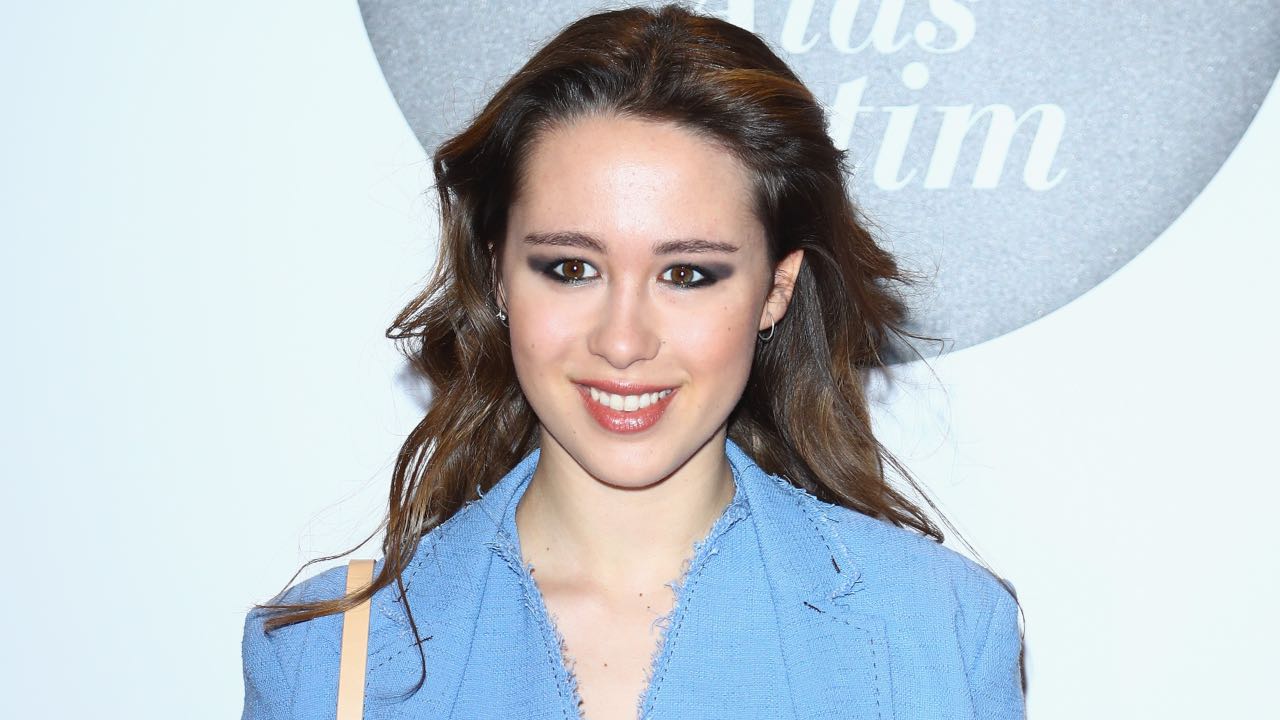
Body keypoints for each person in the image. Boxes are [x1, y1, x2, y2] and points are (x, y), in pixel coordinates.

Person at [240, 4, 1025, 719]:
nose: (622, 342)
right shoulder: (322, 662)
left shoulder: (938, 633)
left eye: (687, 275)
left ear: (775, 291)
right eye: (570, 268)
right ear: (499, 274)